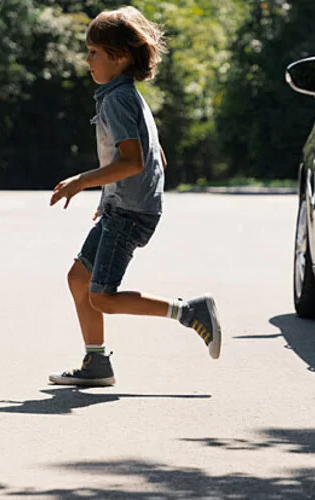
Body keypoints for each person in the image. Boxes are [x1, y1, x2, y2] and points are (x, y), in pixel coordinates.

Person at [48, 6, 222, 387]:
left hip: (129, 213)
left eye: (94, 52)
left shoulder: (118, 100)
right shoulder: (123, 95)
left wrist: (82, 181)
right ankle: (96, 363)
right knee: (79, 280)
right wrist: (107, 195)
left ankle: (190, 311)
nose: (87, 59)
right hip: (121, 207)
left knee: (103, 297)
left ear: (119, 56)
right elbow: (153, 154)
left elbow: (133, 160)